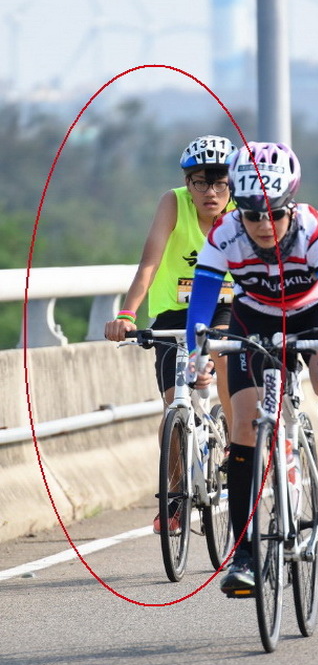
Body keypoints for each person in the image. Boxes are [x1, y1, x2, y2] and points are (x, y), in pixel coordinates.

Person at [185, 141, 318, 594]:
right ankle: (244, 554)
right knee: (245, 424)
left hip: (314, 314)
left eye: (274, 213)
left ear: (290, 206)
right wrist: (196, 354)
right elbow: (201, 306)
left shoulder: (314, 229)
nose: (264, 224)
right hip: (256, 319)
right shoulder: (224, 234)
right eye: (252, 215)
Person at [104, 135, 237, 533]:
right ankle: (176, 496)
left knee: (223, 355)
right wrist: (126, 313)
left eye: (220, 183)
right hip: (173, 314)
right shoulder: (173, 203)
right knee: (172, 405)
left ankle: (236, 447)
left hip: (226, 306)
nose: (211, 193)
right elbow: (149, 262)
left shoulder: (240, 210)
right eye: (200, 183)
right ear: (187, 183)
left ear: (232, 184)